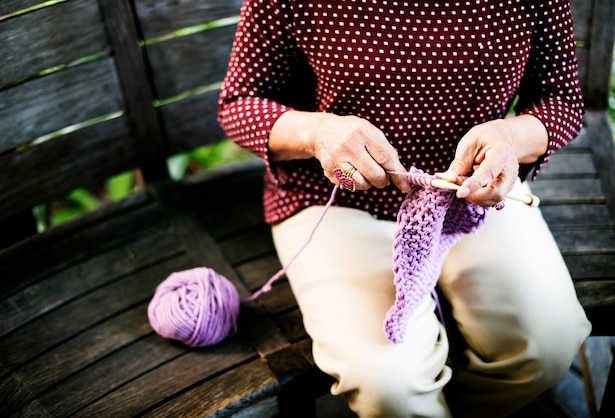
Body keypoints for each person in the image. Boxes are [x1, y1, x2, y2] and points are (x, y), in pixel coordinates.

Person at [217, 1, 592, 416]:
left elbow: (561, 100)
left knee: (548, 343)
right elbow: (239, 103)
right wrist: (319, 133)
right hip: (339, 198)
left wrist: (509, 136)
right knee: (388, 387)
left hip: (475, 194)